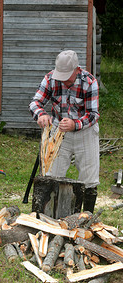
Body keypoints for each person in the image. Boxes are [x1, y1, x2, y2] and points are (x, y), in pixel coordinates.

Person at [29, 50, 100, 213]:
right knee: (51, 174)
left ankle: (87, 217)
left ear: (77, 69)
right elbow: (35, 102)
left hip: (85, 131)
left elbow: (94, 114)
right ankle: (47, 216)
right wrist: (41, 114)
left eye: (67, 75)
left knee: (89, 177)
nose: (63, 79)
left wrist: (75, 124)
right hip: (58, 131)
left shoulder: (89, 82)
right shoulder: (50, 79)